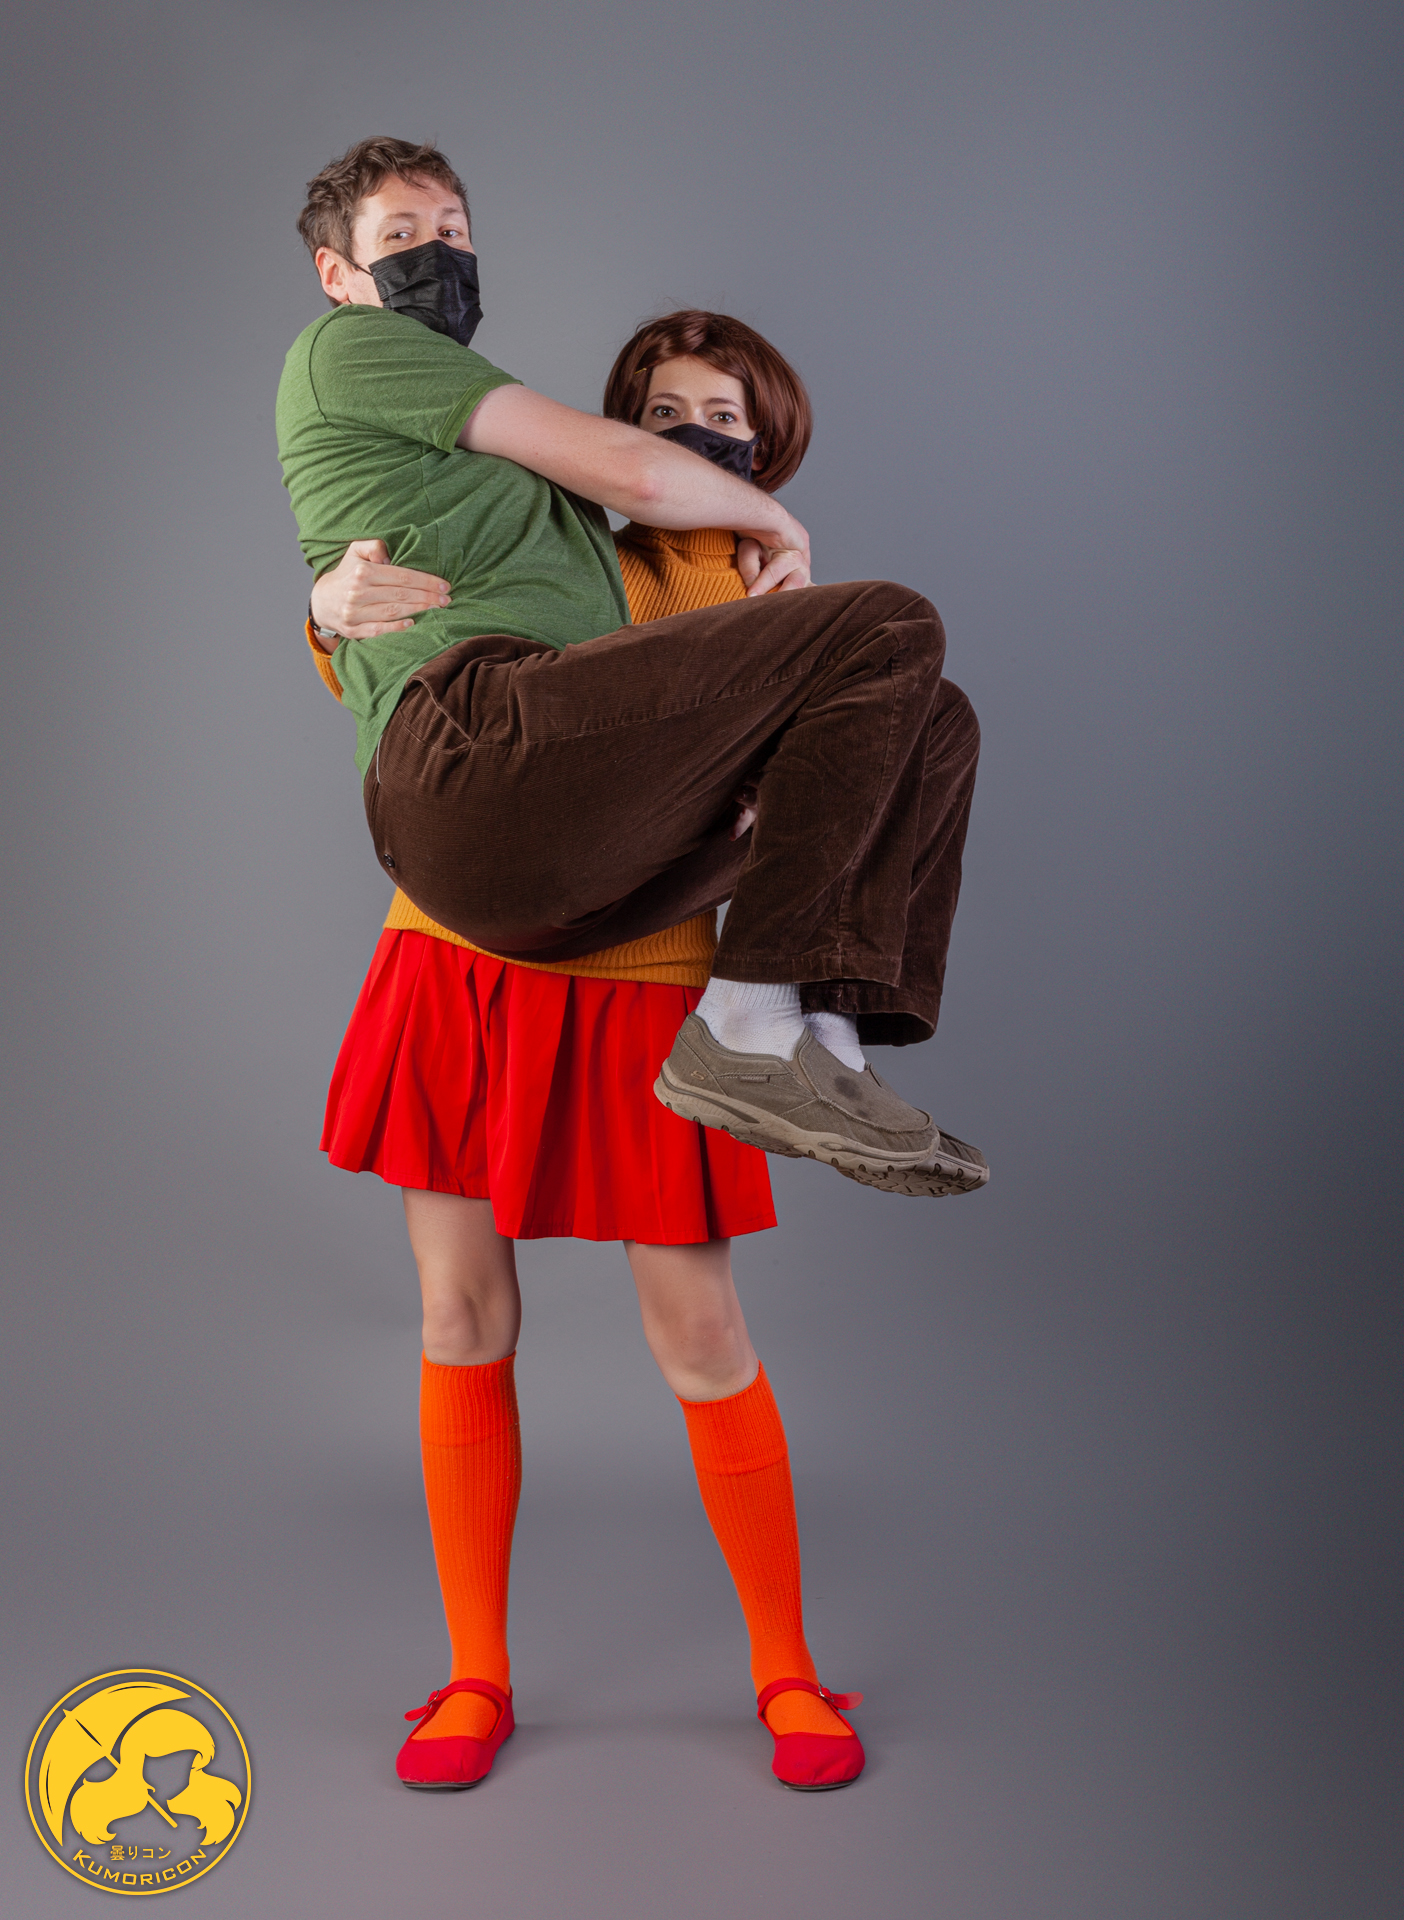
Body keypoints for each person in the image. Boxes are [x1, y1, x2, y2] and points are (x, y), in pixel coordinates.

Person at [277, 138, 986, 1791]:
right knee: (459, 1309)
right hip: (466, 949)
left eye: (723, 419)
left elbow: (810, 759)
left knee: (700, 1337)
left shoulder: (754, 597)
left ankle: (787, 1673)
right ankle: (474, 1677)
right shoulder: (554, 518)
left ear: (768, 443)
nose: (690, 435)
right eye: (665, 411)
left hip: (647, 967)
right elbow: (400, 635)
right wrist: (321, 599)